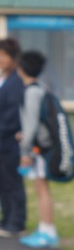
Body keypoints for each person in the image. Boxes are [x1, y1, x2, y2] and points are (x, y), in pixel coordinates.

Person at [16, 51, 58, 248]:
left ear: (21, 69)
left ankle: (48, 231)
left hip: (38, 149)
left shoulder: (31, 91)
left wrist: (26, 152)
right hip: (41, 147)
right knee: (41, 188)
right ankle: (44, 229)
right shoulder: (41, 87)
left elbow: (31, 125)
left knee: (42, 189)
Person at [0, 38, 26, 238]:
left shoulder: (17, 82)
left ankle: (16, 222)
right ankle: (7, 218)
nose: (0, 59)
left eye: (3, 55)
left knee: (12, 182)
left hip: (10, 141)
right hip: (3, 141)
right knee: (3, 182)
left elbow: (12, 115)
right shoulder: (5, 79)